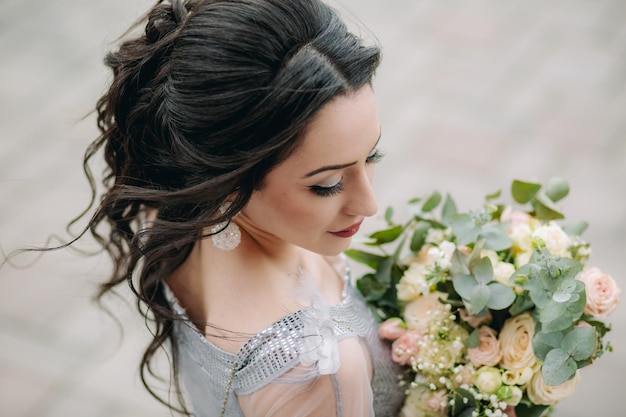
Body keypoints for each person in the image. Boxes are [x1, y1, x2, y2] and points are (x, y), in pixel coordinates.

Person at [84, 0, 405, 415]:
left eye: (371, 156)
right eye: (327, 184)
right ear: (230, 180)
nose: (369, 204)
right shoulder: (312, 368)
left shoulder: (169, 208)